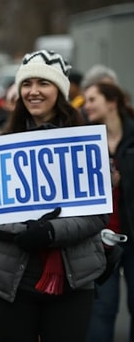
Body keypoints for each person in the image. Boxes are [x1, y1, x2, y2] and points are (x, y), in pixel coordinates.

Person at [0, 50, 108, 342]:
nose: (33, 91)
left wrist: (49, 232)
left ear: (60, 90)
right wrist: (21, 230)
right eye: (26, 83)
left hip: (73, 283)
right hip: (10, 283)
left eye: (43, 83)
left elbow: (97, 212)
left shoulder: (88, 143)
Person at [83, 82, 134, 342]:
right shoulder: (84, 140)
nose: (87, 105)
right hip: (100, 240)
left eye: (93, 99)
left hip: (132, 237)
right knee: (102, 309)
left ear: (112, 102)